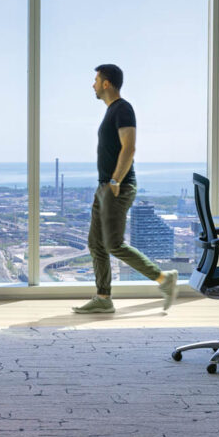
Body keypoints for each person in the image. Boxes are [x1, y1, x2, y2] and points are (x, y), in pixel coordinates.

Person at [73, 64, 178, 314]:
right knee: (96, 244)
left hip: (117, 186)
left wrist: (115, 182)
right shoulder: (111, 111)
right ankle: (103, 297)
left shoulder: (123, 109)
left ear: (106, 83)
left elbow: (129, 148)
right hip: (106, 186)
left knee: (114, 244)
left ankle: (164, 280)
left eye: (96, 80)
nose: (93, 84)